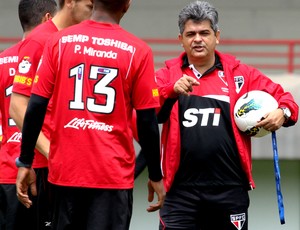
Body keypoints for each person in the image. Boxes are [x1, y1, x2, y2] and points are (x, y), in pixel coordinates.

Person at [15, 0, 166, 229]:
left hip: (65, 174)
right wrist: (155, 175)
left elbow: (35, 106)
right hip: (112, 178)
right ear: (127, 5)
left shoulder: (59, 41)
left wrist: (25, 161)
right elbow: (147, 122)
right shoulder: (139, 50)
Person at [156, 1, 299, 230]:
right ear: (180, 39)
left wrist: (283, 112)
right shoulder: (165, 76)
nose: (198, 39)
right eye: (190, 34)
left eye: (205, 32)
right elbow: (147, 103)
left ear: (217, 36)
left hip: (229, 190)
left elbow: (287, 99)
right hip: (180, 193)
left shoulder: (241, 75)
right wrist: (170, 90)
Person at [9, 0, 92, 228]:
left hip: (75, 166)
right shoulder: (40, 40)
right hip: (48, 168)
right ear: (71, 2)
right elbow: (17, 108)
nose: (95, 11)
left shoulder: (76, 40)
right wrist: (54, 154)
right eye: (90, 4)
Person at [0, 1, 57, 229]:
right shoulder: (50, 61)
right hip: (43, 168)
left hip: (6, 171)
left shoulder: (2, 61)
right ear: (46, 19)